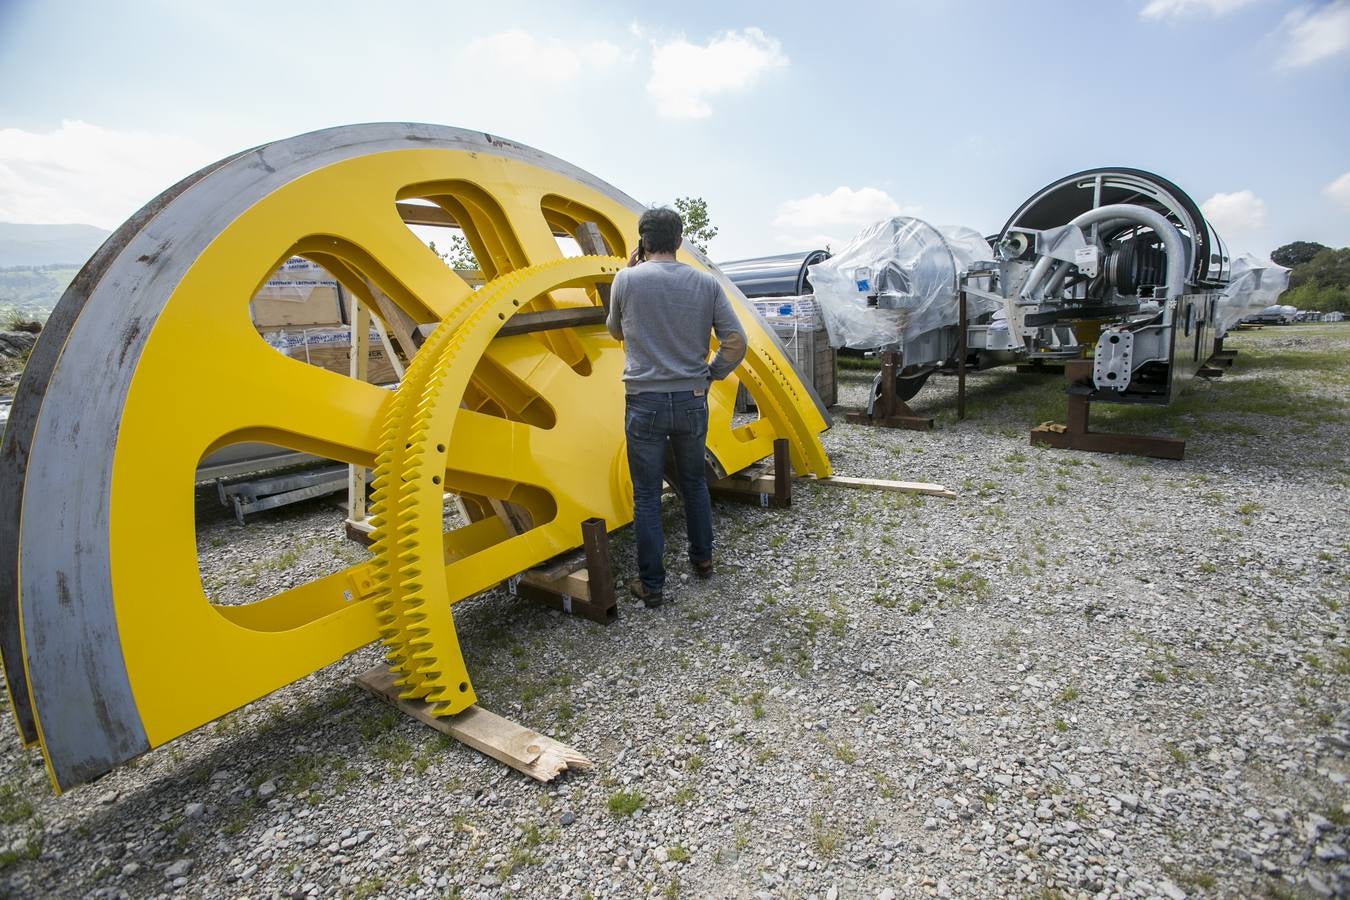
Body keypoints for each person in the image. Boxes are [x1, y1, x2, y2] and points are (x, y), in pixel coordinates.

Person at [605, 207, 747, 608]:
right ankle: (702, 560)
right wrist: (711, 374)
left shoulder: (626, 279)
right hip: (692, 398)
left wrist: (629, 271)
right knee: (694, 483)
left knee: (648, 494)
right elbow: (736, 341)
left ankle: (652, 585)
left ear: (643, 242)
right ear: (680, 241)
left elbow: (615, 330)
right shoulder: (707, 284)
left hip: (644, 401)